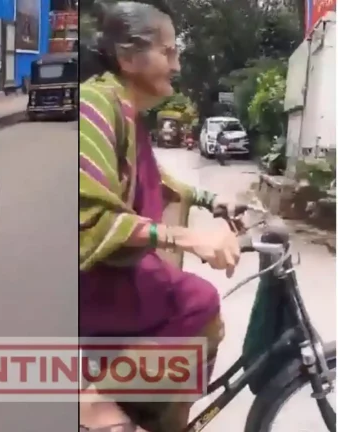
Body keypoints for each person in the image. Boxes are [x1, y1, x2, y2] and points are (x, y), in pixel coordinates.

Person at [78, 2, 241, 431]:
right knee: (198, 303)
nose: (177, 64)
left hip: (119, 276)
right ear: (128, 57)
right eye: (168, 52)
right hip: (93, 284)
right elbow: (90, 213)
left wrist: (212, 201)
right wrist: (188, 239)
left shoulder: (127, 111)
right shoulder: (94, 104)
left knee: (198, 310)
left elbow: (161, 180)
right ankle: (96, 399)